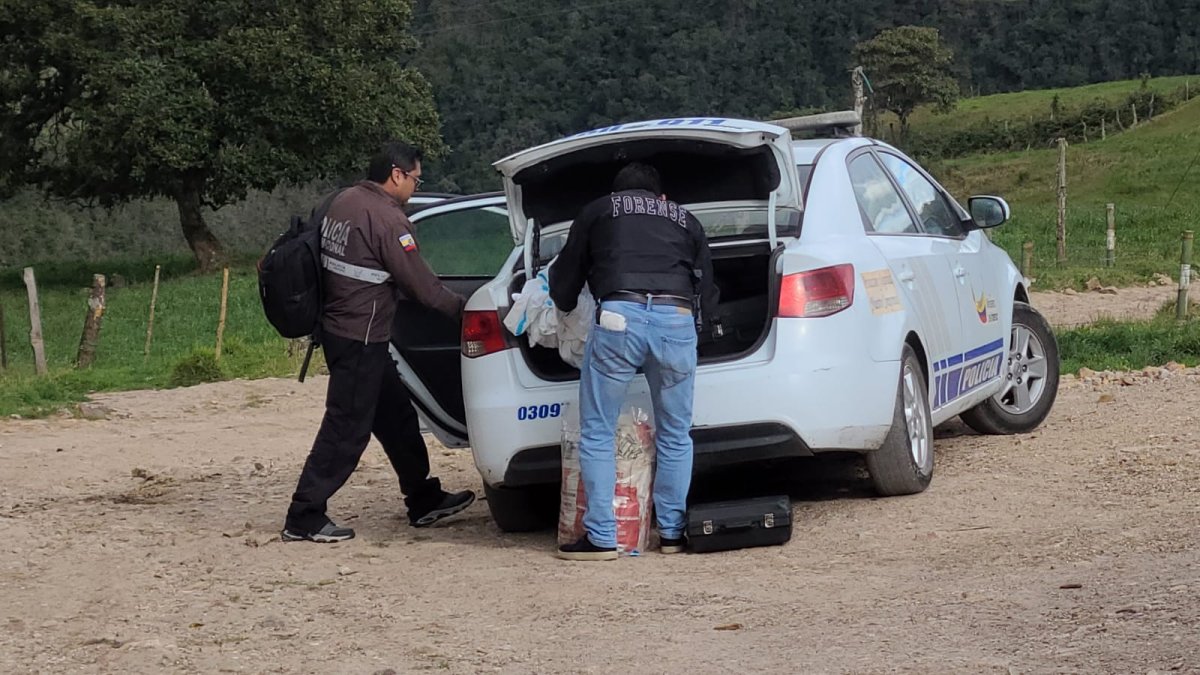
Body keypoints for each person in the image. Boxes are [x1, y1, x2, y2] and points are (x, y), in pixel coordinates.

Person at [282, 141, 476, 543]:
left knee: (397, 418)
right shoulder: (388, 220)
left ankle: (423, 498)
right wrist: (464, 310)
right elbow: (421, 286)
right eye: (415, 179)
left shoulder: (343, 201)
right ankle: (304, 514)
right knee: (345, 429)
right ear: (396, 174)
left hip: (340, 329)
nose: (416, 189)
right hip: (361, 336)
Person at [549, 162, 718, 560]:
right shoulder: (685, 218)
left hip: (619, 318)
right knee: (676, 433)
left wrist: (566, 306)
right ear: (660, 196)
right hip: (675, 320)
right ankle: (673, 533)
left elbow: (565, 280)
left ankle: (602, 537)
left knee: (598, 431)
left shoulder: (599, 210)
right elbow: (706, 289)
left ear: (618, 192)